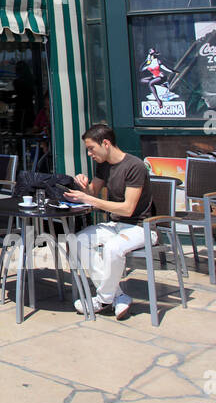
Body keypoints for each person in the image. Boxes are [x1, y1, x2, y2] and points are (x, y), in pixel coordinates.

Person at [63, 123, 156, 319]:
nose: (89, 153)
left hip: (140, 226)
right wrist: (83, 187)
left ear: (105, 143)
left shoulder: (134, 166)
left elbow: (128, 208)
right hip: (115, 225)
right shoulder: (104, 165)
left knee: (113, 248)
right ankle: (117, 296)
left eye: (91, 148)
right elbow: (92, 192)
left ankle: (103, 299)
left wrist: (90, 199)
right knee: (76, 241)